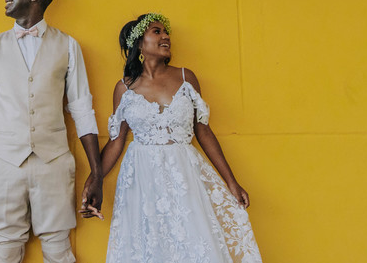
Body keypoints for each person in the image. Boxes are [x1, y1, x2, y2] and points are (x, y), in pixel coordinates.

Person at [87, 13, 262, 263]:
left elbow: (203, 131)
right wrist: (93, 181)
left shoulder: (185, 78)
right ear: (139, 43)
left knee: (193, 242)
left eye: (166, 32)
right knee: (149, 247)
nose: (166, 36)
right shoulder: (124, 88)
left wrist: (231, 181)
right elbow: (116, 141)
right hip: (141, 178)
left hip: (183, 174)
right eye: (157, 31)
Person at [0, 0, 103, 263]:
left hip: (53, 162)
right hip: (4, 163)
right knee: (5, 248)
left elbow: (82, 109)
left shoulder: (68, 45)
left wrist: (97, 173)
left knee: (58, 249)